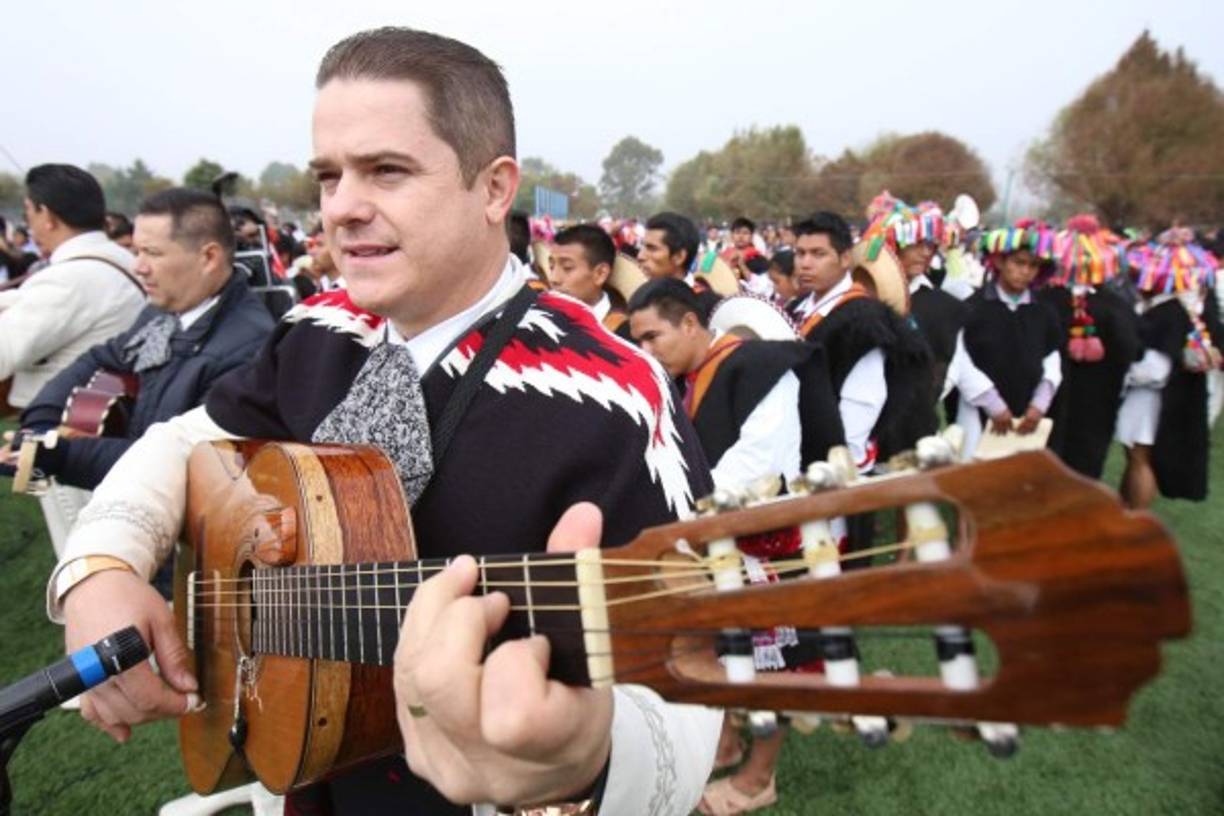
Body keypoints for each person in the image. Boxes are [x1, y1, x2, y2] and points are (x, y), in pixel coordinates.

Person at [47, 26, 720, 816]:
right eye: (328, 176)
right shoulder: (317, 330)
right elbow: (185, 440)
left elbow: (695, 661)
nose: (341, 208)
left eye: (387, 171)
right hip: (296, 762)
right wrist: (100, 566)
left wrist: (587, 760)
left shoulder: (618, 394)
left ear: (496, 188)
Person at [627, 278, 843, 816]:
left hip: (771, 544)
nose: (646, 352)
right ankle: (724, 741)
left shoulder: (762, 366)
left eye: (653, 337)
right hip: (718, 540)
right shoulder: (690, 376)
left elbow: (761, 465)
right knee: (724, 650)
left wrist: (682, 509)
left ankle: (758, 777)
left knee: (775, 668)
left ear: (692, 324)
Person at [6, 187, 274, 503]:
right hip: (130, 493)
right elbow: (102, 356)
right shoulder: (163, 312)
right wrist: (41, 422)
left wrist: (60, 455)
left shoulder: (248, 347)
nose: (138, 266)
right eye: (136, 251)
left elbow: (189, 461)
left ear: (209, 257)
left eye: (153, 253)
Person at [0, 164, 145, 409]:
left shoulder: (68, 278)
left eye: (28, 214)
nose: (29, 224)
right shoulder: (122, 260)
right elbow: (28, 299)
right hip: (105, 410)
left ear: (46, 216)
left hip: (54, 420)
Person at [1116, 227, 1222, 508]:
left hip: (1151, 397)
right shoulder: (1195, 307)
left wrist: (1122, 374)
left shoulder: (1167, 311)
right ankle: (1126, 515)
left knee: (1140, 459)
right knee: (1140, 458)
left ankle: (1134, 520)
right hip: (1175, 397)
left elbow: (1154, 369)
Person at [945, 221, 1064, 459]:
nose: (1026, 271)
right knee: (975, 473)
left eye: (1033, 265)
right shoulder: (974, 308)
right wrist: (992, 403)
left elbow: (1052, 357)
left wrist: (1039, 402)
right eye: (1019, 263)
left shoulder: (1044, 312)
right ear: (999, 261)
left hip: (1027, 412)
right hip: (978, 410)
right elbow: (961, 360)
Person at [1040, 215, 1142, 479]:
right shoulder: (1117, 307)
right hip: (1097, 406)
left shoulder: (1042, 301)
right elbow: (1133, 351)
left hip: (1044, 404)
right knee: (1084, 471)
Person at [639, 211, 721, 318]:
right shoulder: (640, 298)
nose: (640, 256)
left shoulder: (711, 307)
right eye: (642, 247)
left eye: (652, 248)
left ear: (679, 257)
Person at [547, 223, 628, 332]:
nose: (554, 279)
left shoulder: (621, 333)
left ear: (600, 274)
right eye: (551, 267)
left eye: (567, 267)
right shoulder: (541, 318)